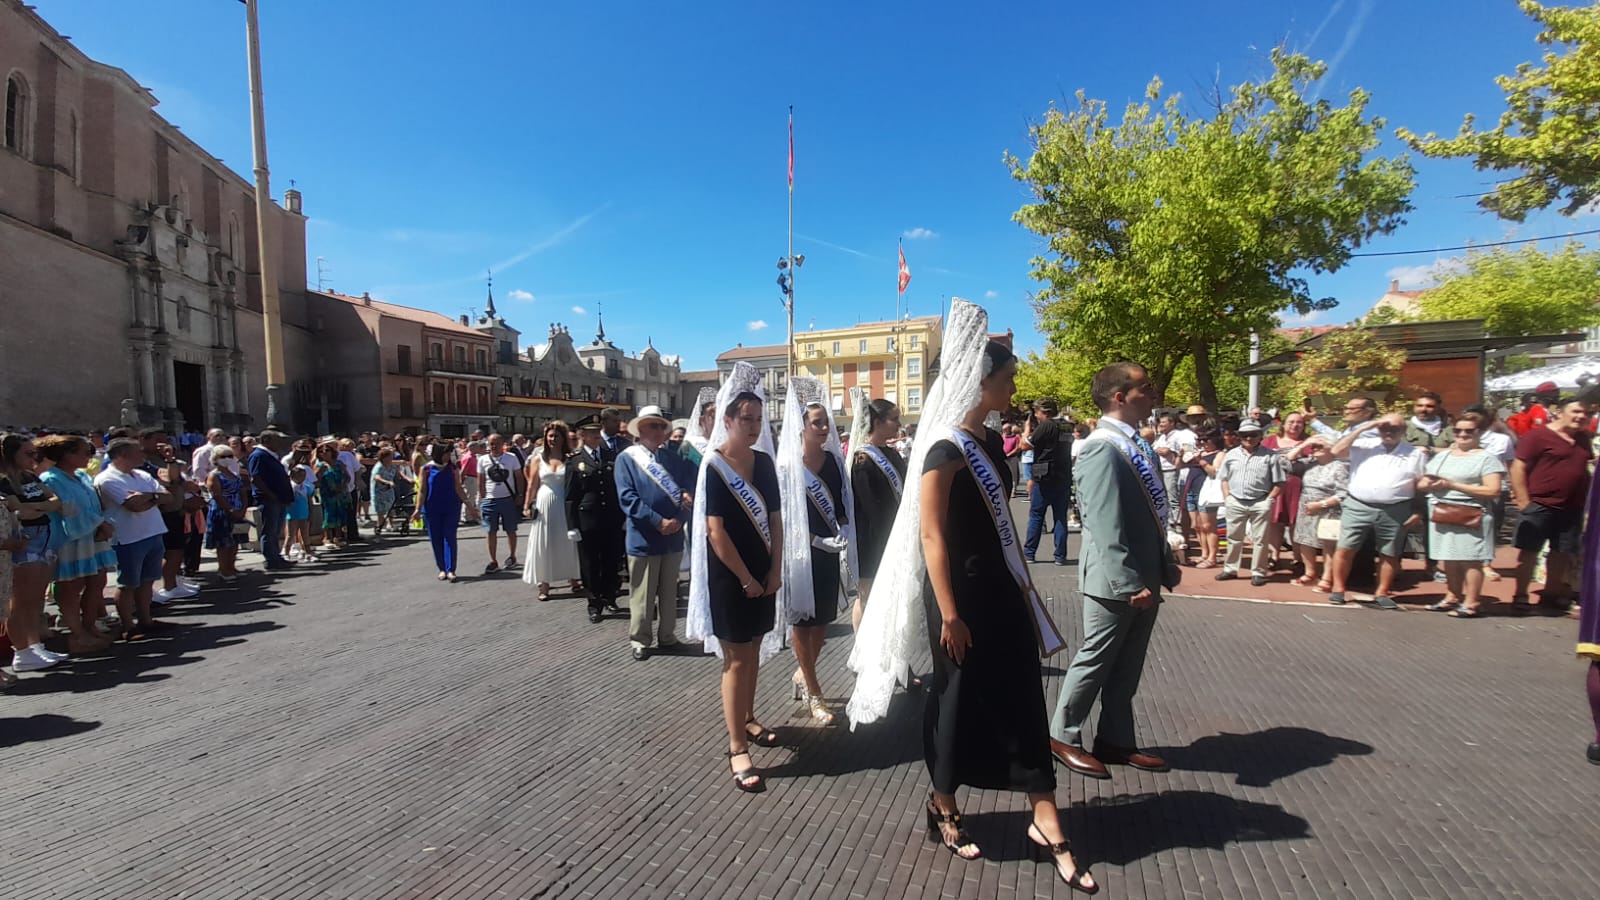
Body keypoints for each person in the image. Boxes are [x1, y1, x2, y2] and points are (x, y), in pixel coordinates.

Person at [850, 303, 1093, 891]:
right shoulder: (944, 448)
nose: (1014, 387)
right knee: (958, 695)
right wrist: (950, 612)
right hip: (959, 594)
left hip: (1002, 588)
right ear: (981, 382)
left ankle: (1043, 812)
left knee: (1021, 693)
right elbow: (930, 533)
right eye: (1007, 378)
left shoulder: (987, 441)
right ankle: (942, 801)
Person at [1050, 361, 1178, 795]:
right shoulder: (1103, 448)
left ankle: (1116, 739)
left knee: (1128, 665)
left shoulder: (1136, 444)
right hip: (1115, 580)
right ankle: (1063, 733)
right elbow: (1102, 523)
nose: (1153, 392)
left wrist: (1161, 564)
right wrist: (1128, 581)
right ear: (1119, 396)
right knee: (1096, 658)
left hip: (1144, 573)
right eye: (1145, 386)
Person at [686, 366, 784, 794]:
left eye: (759, 421)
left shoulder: (763, 462)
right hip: (731, 578)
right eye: (746, 420)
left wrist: (775, 570)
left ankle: (747, 716)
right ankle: (736, 745)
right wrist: (746, 578)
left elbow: (777, 522)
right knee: (737, 657)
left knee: (756, 650)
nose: (753, 427)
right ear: (726, 421)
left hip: (764, 574)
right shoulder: (715, 466)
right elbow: (715, 532)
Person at [777, 381, 856, 726]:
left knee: (822, 621)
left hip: (827, 553)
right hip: (799, 555)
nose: (825, 429)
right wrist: (813, 540)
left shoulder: (834, 464)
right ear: (801, 427)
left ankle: (801, 673)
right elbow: (782, 518)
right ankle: (814, 691)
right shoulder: (788, 467)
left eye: (827, 422)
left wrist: (840, 530)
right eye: (818, 423)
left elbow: (840, 507)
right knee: (802, 622)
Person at [1326, 413, 1426, 609]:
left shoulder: (1415, 454)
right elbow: (1336, 450)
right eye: (1384, 427)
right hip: (1358, 505)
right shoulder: (1365, 446)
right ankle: (1338, 589)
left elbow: (1420, 483)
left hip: (1396, 508)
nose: (1388, 432)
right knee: (1345, 548)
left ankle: (1382, 592)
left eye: (1394, 428)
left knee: (1389, 553)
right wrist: (1365, 427)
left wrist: (1418, 511)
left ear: (1403, 430)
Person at [615, 405, 690, 661]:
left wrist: (679, 519)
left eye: (661, 426)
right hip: (644, 537)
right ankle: (641, 639)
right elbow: (628, 499)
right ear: (641, 429)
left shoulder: (672, 458)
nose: (659, 430)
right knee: (643, 593)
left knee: (670, 592)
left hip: (673, 537)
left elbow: (686, 493)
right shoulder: (627, 459)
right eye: (653, 425)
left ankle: (668, 636)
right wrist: (658, 521)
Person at [1511, 398, 1594, 612]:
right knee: (1529, 552)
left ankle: (1551, 595)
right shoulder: (1537, 436)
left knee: (1561, 553)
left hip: (1572, 507)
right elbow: (1518, 468)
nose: (1581, 417)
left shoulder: (1583, 439)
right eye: (1576, 411)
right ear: (1559, 412)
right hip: (1539, 504)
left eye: (1585, 413)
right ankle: (1520, 594)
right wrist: (1523, 502)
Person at [1418, 417, 1506, 618]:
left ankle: (1472, 601)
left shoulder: (1487, 458)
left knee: (1470, 559)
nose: (1463, 435)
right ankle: (1452, 596)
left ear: (1479, 432)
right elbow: (1424, 482)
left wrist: (1453, 485)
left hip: (1471, 514)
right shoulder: (1444, 456)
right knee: (1449, 557)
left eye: (1469, 431)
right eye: (1458, 431)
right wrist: (1429, 485)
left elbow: (1493, 490)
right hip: (1441, 511)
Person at [35, 435, 115, 654]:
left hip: (92, 536)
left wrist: (103, 523)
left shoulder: (81, 476)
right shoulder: (51, 479)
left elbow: (93, 504)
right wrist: (98, 524)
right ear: (67, 455)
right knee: (71, 586)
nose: (88, 456)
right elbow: (68, 509)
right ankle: (76, 635)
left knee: (97, 580)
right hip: (71, 539)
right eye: (82, 452)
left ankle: (89, 627)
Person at [1, 433, 67, 670]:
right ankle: (22, 651)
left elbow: (55, 501)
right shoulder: (3, 482)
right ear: (10, 455)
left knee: (35, 599)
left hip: (43, 537)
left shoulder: (29, 476)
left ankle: (35, 645)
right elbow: (17, 514)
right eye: (28, 454)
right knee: (20, 601)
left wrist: (34, 507)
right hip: (24, 540)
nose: (34, 458)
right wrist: (40, 507)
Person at [94, 437, 170, 642]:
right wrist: (152, 497)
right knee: (128, 584)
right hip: (128, 537)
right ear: (122, 455)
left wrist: (147, 497)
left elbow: (166, 496)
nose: (143, 454)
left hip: (152, 531)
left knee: (147, 582)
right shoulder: (108, 479)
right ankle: (128, 625)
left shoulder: (142, 475)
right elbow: (132, 506)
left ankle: (146, 620)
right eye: (138, 452)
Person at [849, 398, 905, 633]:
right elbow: (870, 507)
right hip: (872, 540)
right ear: (878, 422)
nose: (898, 424)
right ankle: (862, 651)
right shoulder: (863, 459)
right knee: (868, 596)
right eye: (894, 419)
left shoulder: (892, 454)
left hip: (893, 535)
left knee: (889, 599)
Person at [566, 416, 623, 622]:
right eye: (591, 434)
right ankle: (594, 602)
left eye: (597, 433)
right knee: (590, 562)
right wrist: (572, 525)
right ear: (582, 436)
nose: (595, 437)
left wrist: (622, 515)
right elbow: (571, 496)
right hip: (587, 518)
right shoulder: (575, 459)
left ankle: (609, 596)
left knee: (611, 559)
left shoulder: (611, 455)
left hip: (611, 516)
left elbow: (618, 488)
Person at [1215, 420, 1285, 586]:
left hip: (1260, 501)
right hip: (1236, 501)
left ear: (1260, 436)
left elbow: (1280, 482)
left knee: (1260, 539)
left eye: (1253, 434)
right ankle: (1230, 569)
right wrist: (1228, 497)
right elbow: (1224, 478)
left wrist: (1270, 499)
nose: (1249, 438)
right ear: (1239, 437)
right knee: (1233, 537)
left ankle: (1259, 572)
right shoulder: (1231, 455)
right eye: (1244, 435)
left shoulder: (1271, 456)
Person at [522, 420, 582, 601]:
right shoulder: (538, 458)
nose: (553, 439)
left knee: (567, 540)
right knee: (545, 542)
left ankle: (574, 579)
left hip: (565, 503)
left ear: (563, 438)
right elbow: (532, 484)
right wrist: (526, 505)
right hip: (544, 504)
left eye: (556, 436)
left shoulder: (571, 458)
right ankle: (544, 584)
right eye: (550, 436)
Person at [1285, 436, 1349, 592]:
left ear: (1331, 447)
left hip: (1328, 509)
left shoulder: (1338, 467)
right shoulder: (1309, 464)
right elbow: (1286, 462)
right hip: (1306, 507)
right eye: (1313, 447)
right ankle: (1310, 573)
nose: (1314, 449)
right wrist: (1304, 444)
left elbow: (1344, 493)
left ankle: (1327, 578)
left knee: (1328, 545)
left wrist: (1322, 504)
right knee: (1305, 541)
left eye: (1319, 446)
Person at [1021, 398, 1071, 566]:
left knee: (1036, 515)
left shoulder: (1046, 425)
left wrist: (1027, 429)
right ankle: (1060, 555)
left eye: (1037, 412)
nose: (1036, 415)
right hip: (1063, 475)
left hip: (1044, 476)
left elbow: (1025, 445)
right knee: (1060, 517)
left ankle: (1029, 553)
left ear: (1045, 412)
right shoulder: (1066, 425)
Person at [1261, 411, 1308, 571]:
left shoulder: (1307, 443)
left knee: (1297, 523)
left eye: (1299, 422)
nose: (1295, 425)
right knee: (1275, 522)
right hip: (1274, 486)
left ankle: (1298, 558)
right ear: (1283, 424)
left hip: (1299, 486)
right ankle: (1274, 556)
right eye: (1291, 422)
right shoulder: (1269, 441)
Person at [414, 442, 467, 581]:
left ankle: (451, 570)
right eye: (445, 453)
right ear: (437, 454)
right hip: (431, 509)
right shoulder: (426, 469)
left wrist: (469, 505)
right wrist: (417, 509)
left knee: (450, 537)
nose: (448, 456)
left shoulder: (452, 468)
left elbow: (458, 487)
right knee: (436, 539)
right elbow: (422, 490)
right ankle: (442, 569)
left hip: (451, 507)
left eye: (449, 453)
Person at [476, 433, 525, 575]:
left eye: (497, 443)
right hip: (490, 500)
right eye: (491, 444)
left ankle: (512, 556)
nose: (494, 446)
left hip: (507, 498)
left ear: (502, 444)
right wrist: (481, 497)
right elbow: (481, 480)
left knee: (511, 530)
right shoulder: (483, 460)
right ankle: (493, 560)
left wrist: (520, 494)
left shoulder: (511, 458)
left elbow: (519, 476)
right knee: (490, 530)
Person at [248, 431, 296, 571]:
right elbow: (255, 478)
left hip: (280, 498)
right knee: (269, 530)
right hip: (269, 499)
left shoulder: (272, 455)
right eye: (277, 440)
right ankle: (271, 559)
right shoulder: (258, 455)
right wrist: (270, 494)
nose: (280, 443)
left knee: (276, 530)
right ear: (266, 440)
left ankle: (277, 556)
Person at [203, 444, 247, 582]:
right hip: (222, 511)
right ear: (215, 458)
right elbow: (217, 495)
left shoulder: (233, 475)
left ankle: (231, 566)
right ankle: (223, 569)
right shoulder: (214, 475)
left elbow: (242, 491)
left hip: (238, 508)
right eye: (223, 457)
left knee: (235, 541)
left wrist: (243, 508)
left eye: (229, 456)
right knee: (223, 543)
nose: (227, 459)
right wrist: (230, 510)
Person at [1187, 429, 1225, 568]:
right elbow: (1179, 465)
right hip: (1191, 490)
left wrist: (1201, 461)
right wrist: (1182, 456)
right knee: (1197, 526)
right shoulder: (1199, 453)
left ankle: (1212, 557)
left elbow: (1214, 472)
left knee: (1208, 526)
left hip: (1206, 493)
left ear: (1214, 440)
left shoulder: (1220, 454)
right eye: (1200, 440)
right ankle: (1204, 554)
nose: (1202, 443)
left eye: (1205, 440)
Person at [314, 441, 352, 550]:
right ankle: (327, 538)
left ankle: (338, 537)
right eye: (321, 451)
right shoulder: (320, 465)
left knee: (340, 514)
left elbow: (347, 477)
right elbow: (315, 480)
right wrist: (320, 471)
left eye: (327, 450)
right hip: (327, 494)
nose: (324, 453)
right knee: (329, 515)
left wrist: (343, 486)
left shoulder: (339, 463)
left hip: (340, 493)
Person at [285, 465, 316, 563]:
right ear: (292, 476)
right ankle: (286, 553)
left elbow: (309, 500)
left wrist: (311, 513)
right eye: (298, 476)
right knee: (291, 534)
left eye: (303, 476)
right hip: (292, 514)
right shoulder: (289, 487)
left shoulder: (307, 487)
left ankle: (308, 553)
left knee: (305, 534)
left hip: (304, 513)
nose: (301, 478)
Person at [370, 449, 399, 533]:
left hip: (389, 490)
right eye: (390, 456)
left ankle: (390, 524)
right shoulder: (379, 466)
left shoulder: (392, 465)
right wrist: (387, 482)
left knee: (390, 508)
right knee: (380, 510)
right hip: (379, 491)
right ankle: (379, 525)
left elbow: (399, 473)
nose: (391, 458)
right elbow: (377, 477)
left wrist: (408, 479)